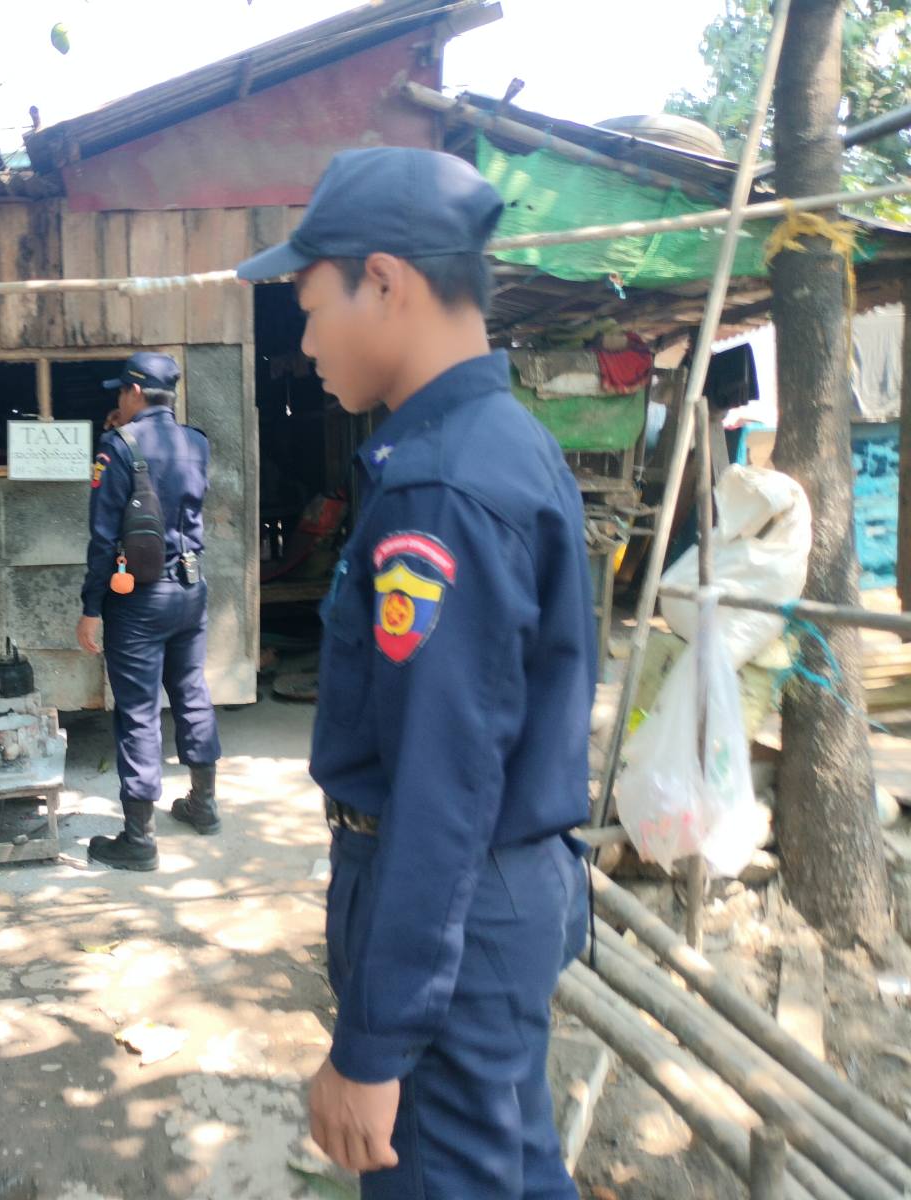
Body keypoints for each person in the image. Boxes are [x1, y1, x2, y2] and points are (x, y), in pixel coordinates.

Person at [236, 148, 593, 1198]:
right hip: (496, 896)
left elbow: (443, 785)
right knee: (511, 1167)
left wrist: (374, 1045)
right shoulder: (502, 443)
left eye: (310, 308)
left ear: (384, 281)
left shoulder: (440, 487)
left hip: (449, 906)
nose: (304, 344)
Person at [76, 353, 222, 871]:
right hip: (190, 586)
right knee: (191, 692)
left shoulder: (117, 448)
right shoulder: (197, 442)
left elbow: (102, 539)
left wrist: (91, 607)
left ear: (135, 393)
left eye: (121, 391)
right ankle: (203, 804)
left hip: (139, 597)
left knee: (138, 711)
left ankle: (139, 840)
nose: (118, 399)